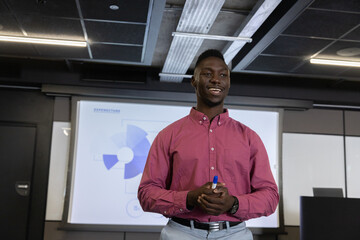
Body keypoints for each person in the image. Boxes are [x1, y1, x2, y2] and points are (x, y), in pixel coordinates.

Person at [138, 49, 279, 239]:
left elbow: (270, 197)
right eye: (207, 73)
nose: (216, 79)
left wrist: (233, 203)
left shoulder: (250, 138)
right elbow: (147, 194)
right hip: (180, 233)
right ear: (194, 80)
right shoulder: (168, 136)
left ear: (228, 82)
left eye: (223, 74)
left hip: (234, 234)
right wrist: (189, 198)